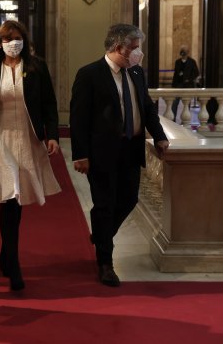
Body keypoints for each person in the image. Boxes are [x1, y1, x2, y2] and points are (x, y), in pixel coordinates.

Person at [70, 23, 169, 287]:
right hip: (102, 152)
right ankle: (105, 263)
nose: (139, 54)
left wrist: (158, 135)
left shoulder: (136, 72)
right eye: (135, 48)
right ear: (118, 47)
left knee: (128, 200)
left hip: (131, 148)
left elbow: (147, 107)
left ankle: (101, 234)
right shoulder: (89, 74)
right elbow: (78, 119)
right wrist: (80, 154)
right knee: (104, 204)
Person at [0, 20, 61, 291]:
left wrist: (53, 135)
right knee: (8, 198)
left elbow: (49, 103)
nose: (14, 42)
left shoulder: (36, 68)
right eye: (9, 38)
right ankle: (13, 262)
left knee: (17, 199)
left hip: (27, 138)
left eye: (18, 37)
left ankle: (5, 253)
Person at [171, 45, 199, 121]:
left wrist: (189, 79)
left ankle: (185, 120)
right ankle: (173, 120)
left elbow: (196, 73)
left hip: (188, 85)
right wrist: (173, 86)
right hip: (178, 85)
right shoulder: (177, 62)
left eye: (185, 51)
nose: (183, 52)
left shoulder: (192, 62)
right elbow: (175, 74)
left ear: (188, 52)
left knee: (186, 104)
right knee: (175, 103)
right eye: (182, 50)